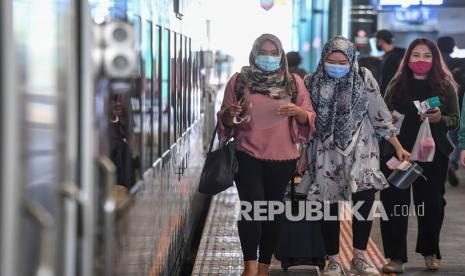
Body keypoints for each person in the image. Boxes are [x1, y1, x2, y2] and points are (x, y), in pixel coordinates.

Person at [300, 36, 410, 276]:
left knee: (365, 200)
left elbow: (379, 112)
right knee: (328, 205)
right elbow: (306, 121)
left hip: (362, 148)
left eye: (343, 61)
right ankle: (334, 259)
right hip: (325, 151)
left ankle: (359, 257)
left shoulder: (363, 77)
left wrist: (397, 145)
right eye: (331, 60)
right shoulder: (311, 82)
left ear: (351, 60)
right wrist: (301, 154)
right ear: (323, 59)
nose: (337, 65)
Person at [217, 34, 316, 276]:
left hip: (283, 157)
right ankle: (249, 266)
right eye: (264, 52)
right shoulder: (239, 81)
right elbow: (224, 120)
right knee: (252, 207)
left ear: (281, 55)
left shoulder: (293, 82)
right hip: (246, 153)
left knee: (272, 211)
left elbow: (310, 117)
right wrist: (230, 113)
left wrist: (297, 112)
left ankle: (264, 266)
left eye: (274, 53)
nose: (269, 57)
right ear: (254, 53)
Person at [381, 38, 459, 273]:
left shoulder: (445, 86)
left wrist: (439, 119)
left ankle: (430, 251)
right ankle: (395, 258)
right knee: (395, 205)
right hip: (398, 155)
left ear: (435, 59)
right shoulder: (396, 85)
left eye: (427, 56)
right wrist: (391, 125)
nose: (421, 60)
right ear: (408, 59)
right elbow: (381, 120)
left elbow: (454, 120)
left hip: (432, 157)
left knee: (431, 205)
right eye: (416, 55)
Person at [438, 36, 462, 186]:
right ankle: (452, 163)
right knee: (456, 136)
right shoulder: (456, 64)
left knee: (442, 136)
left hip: (438, 107)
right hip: (457, 106)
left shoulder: (437, 65)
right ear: (452, 47)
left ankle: (446, 162)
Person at [375, 30, 405, 96]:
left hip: (387, 96)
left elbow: (387, 80)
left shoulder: (391, 58)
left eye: (377, 41)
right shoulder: (400, 54)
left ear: (380, 41)